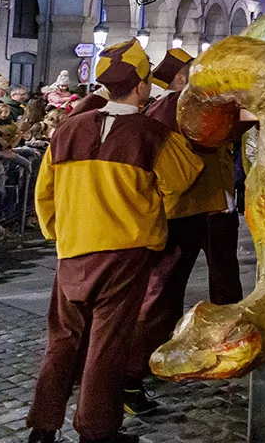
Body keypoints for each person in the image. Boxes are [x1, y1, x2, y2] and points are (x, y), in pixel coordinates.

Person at [27, 40, 203, 443]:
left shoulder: (67, 131)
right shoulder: (150, 134)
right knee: (107, 344)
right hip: (125, 253)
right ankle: (96, 429)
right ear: (142, 86)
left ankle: (42, 425)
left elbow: (44, 197)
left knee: (63, 341)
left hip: (73, 253)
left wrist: (64, 234)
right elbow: (182, 178)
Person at [127, 48, 242, 412]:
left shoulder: (184, 103)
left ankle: (225, 345)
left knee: (217, 283)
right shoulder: (178, 106)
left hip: (208, 207)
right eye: (195, 70)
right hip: (190, 210)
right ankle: (136, 368)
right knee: (163, 290)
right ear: (180, 78)